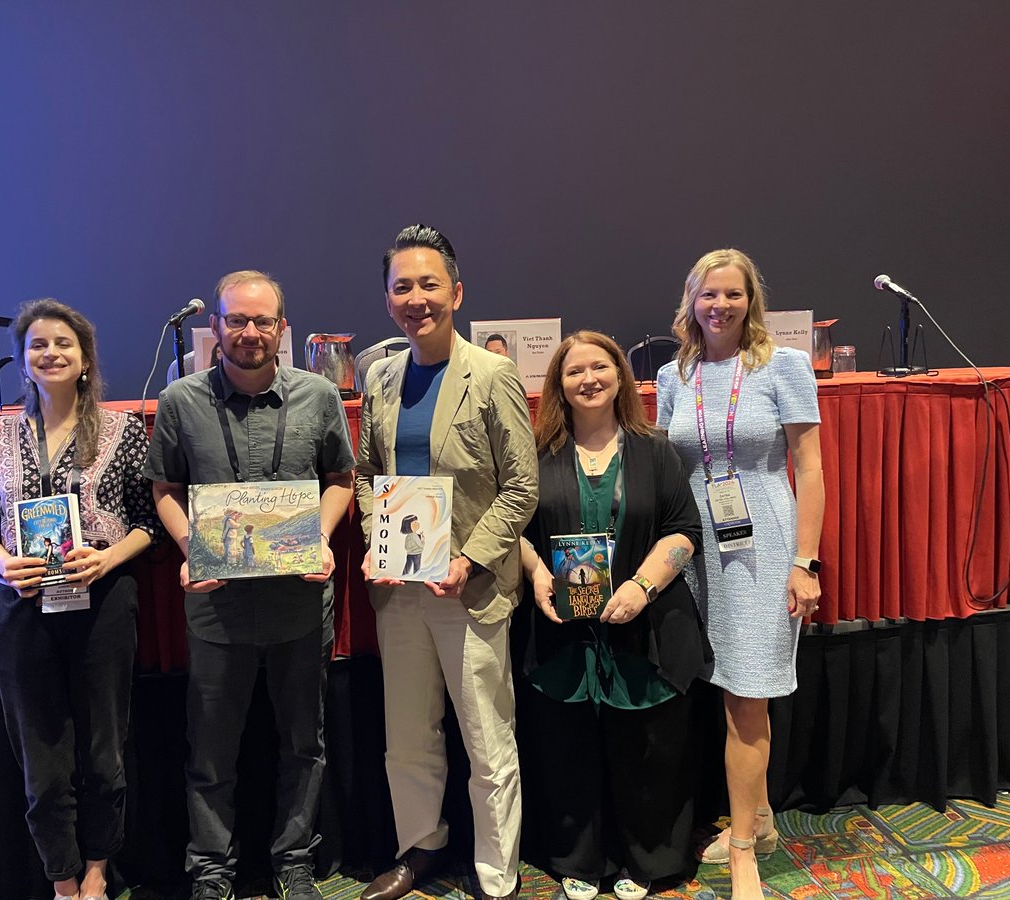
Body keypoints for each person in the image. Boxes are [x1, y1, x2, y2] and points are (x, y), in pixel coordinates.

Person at [145, 270, 356, 900]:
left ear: (282, 329)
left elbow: (341, 479)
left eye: (263, 321)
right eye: (237, 320)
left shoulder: (318, 396)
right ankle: (212, 871)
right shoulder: (181, 400)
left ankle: (294, 861)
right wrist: (193, 550)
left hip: (297, 605)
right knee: (210, 753)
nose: (250, 332)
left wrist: (318, 537)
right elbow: (165, 490)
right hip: (218, 613)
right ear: (215, 328)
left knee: (304, 744)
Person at [355, 225, 538, 900]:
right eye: (402, 286)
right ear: (388, 299)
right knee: (407, 736)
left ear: (455, 292)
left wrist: (468, 557)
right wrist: (379, 541)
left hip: (470, 587)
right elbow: (368, 474)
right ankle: (420, 848)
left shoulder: (492, 375)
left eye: (429, 283)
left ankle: (498, 874)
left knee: (488, 742)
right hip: (400, 589)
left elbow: (521, 487)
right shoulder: (379, 376)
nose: (416, 297)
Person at [0, 298, 161, 900]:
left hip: (102, 605)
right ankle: (62, 878)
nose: (50, 353)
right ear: (24, 364)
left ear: (85, 360)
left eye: (63, 345)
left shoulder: (125, 430)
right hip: (24, 609)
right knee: (41, 759)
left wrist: (106, 558)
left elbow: (147, 522)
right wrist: (6, 563)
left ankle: (99, 870)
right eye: (38, 346)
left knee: (104, 750)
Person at [656, 250, 824, 900]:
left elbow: (810, 468)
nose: (719, 306)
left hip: (763, 548)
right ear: (691, 302)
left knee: (746, 694)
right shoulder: (677, 374)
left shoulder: (781, 366)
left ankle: (745, 851)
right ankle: (764, 820)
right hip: (698, 545)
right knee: (729, 691)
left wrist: (805, 562)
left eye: (732, 295)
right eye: (708, 295)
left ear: (751, 301)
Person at [519, 332, 707, 900]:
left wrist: (643, 586)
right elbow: (519, 532)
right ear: (558, 386)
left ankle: (644, 862)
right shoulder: (537, 453)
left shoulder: (656, 450)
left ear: (621, 376)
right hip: (563, 629)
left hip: (643, 623)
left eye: (600, 366)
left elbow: (684, 531)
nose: (589, 379)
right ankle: (581, 858)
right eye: (573, 371)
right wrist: (534, 573)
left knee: (644, 749)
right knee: (568, 747)